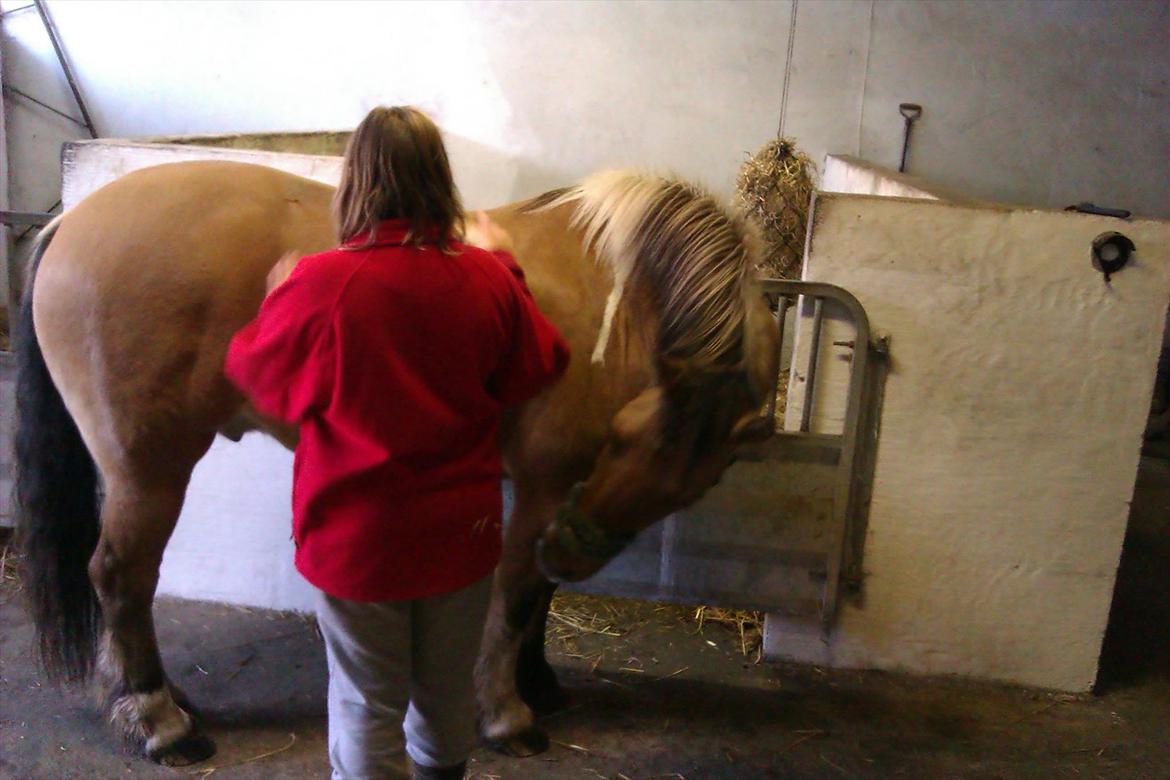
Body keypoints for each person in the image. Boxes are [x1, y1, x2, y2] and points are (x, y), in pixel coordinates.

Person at [224, 105, 570, 780]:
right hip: (460, 536)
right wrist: (506, 267)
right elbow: (540, 366)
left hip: (357, 543)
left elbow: (258, 376)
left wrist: (279, 296)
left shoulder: (321, 282)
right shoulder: (487, 277)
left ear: (356, 180)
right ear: (440, 180)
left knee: (364, 704)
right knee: (444, 697)